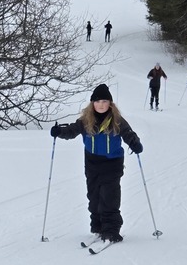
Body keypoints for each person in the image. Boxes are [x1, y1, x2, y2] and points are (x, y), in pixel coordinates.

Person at [50, 83, 143, 243]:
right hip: (92, 162)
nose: (101, 105)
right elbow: (72, 130)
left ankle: (112, 230)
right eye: (98, 101)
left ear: (110, 104)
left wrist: (134, 143)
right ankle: (99, 227)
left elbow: (128, 133)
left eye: (105, 101)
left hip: (112, 163)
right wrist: (59, 132)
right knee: (94, 197)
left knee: (109, 197)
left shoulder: (117, 120)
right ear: (93, 103)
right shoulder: (85, 120)